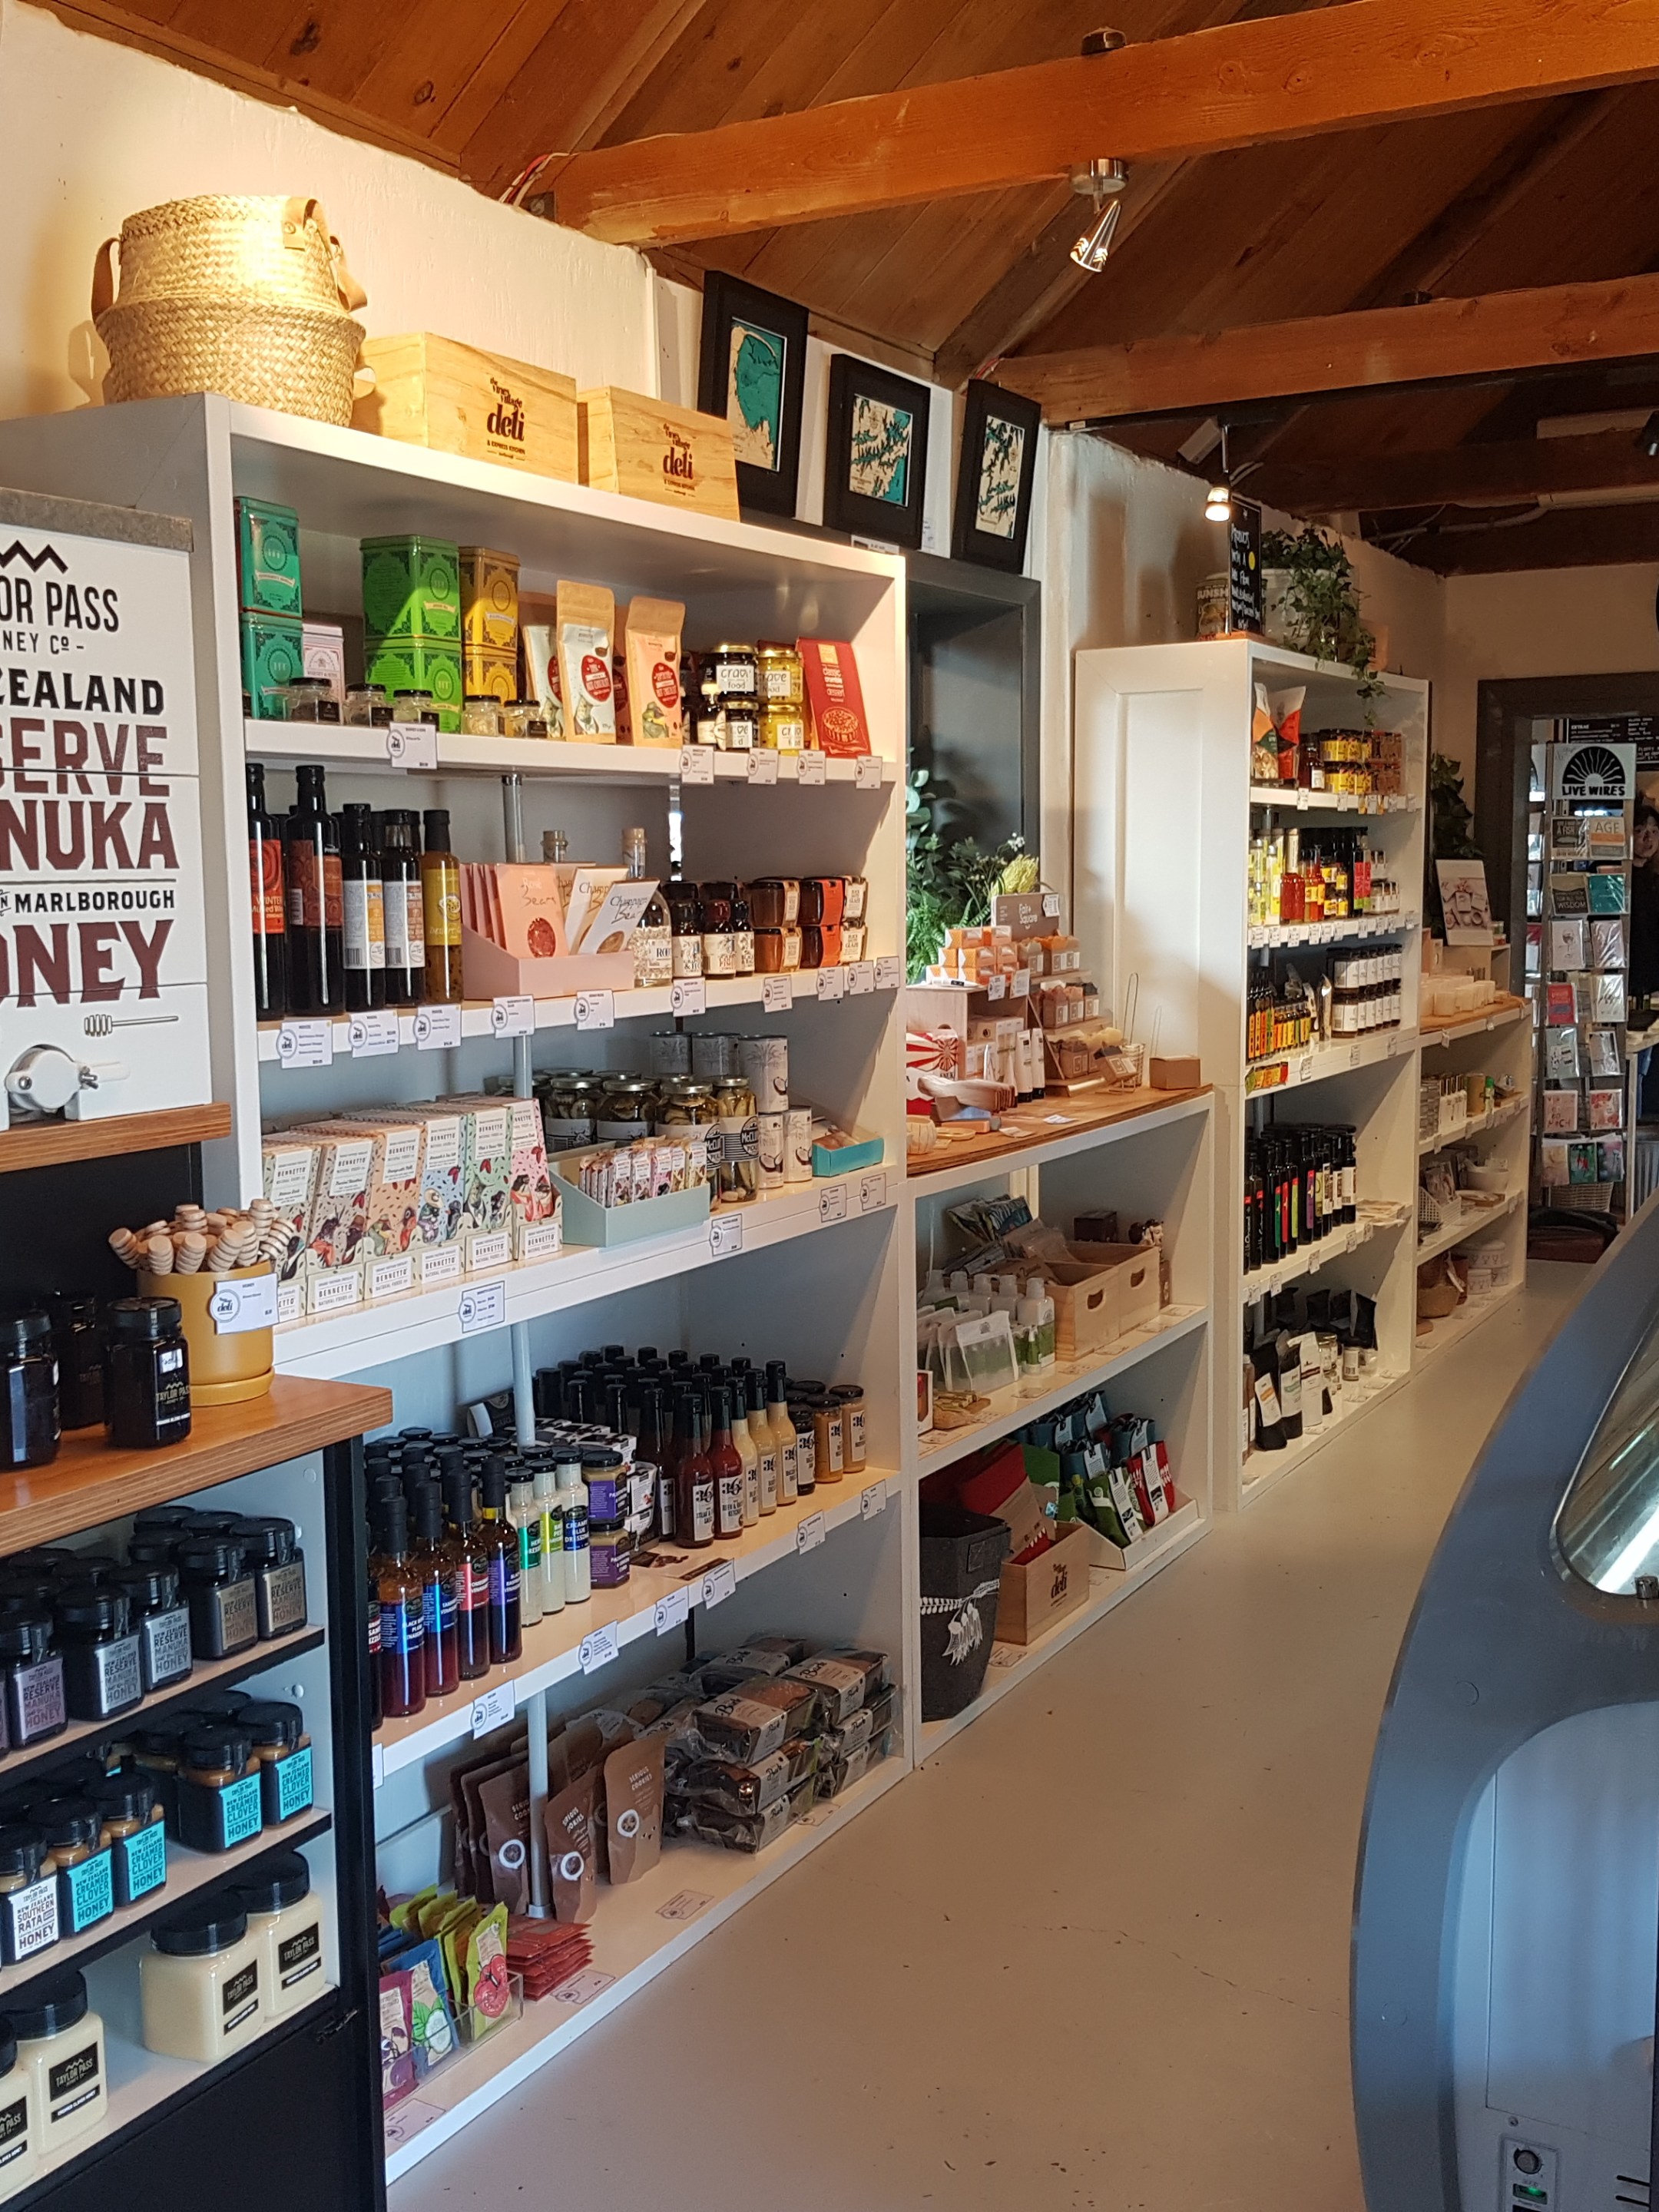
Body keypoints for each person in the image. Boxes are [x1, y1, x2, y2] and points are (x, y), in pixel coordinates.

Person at [1630, 802, 1659, 1117]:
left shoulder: (1654, 881)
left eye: (1653, 831)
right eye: (1639, 831)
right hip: (1626, 987)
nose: (1647, 838)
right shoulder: (1613, 880)